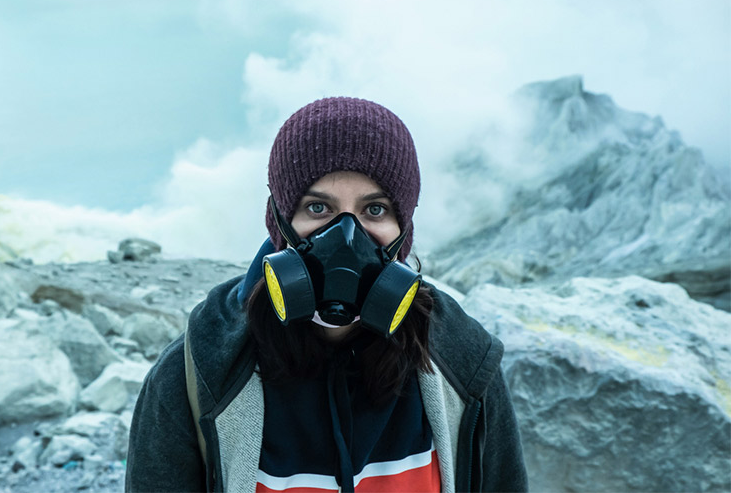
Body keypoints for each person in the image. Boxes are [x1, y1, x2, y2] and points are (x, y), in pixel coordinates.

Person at [126, 97, 528, 492]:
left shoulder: (465, 363)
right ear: (279, 223)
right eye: (318, 208)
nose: (346, 237)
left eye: (375, 211)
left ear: (404, 230)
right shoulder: (197, 376)